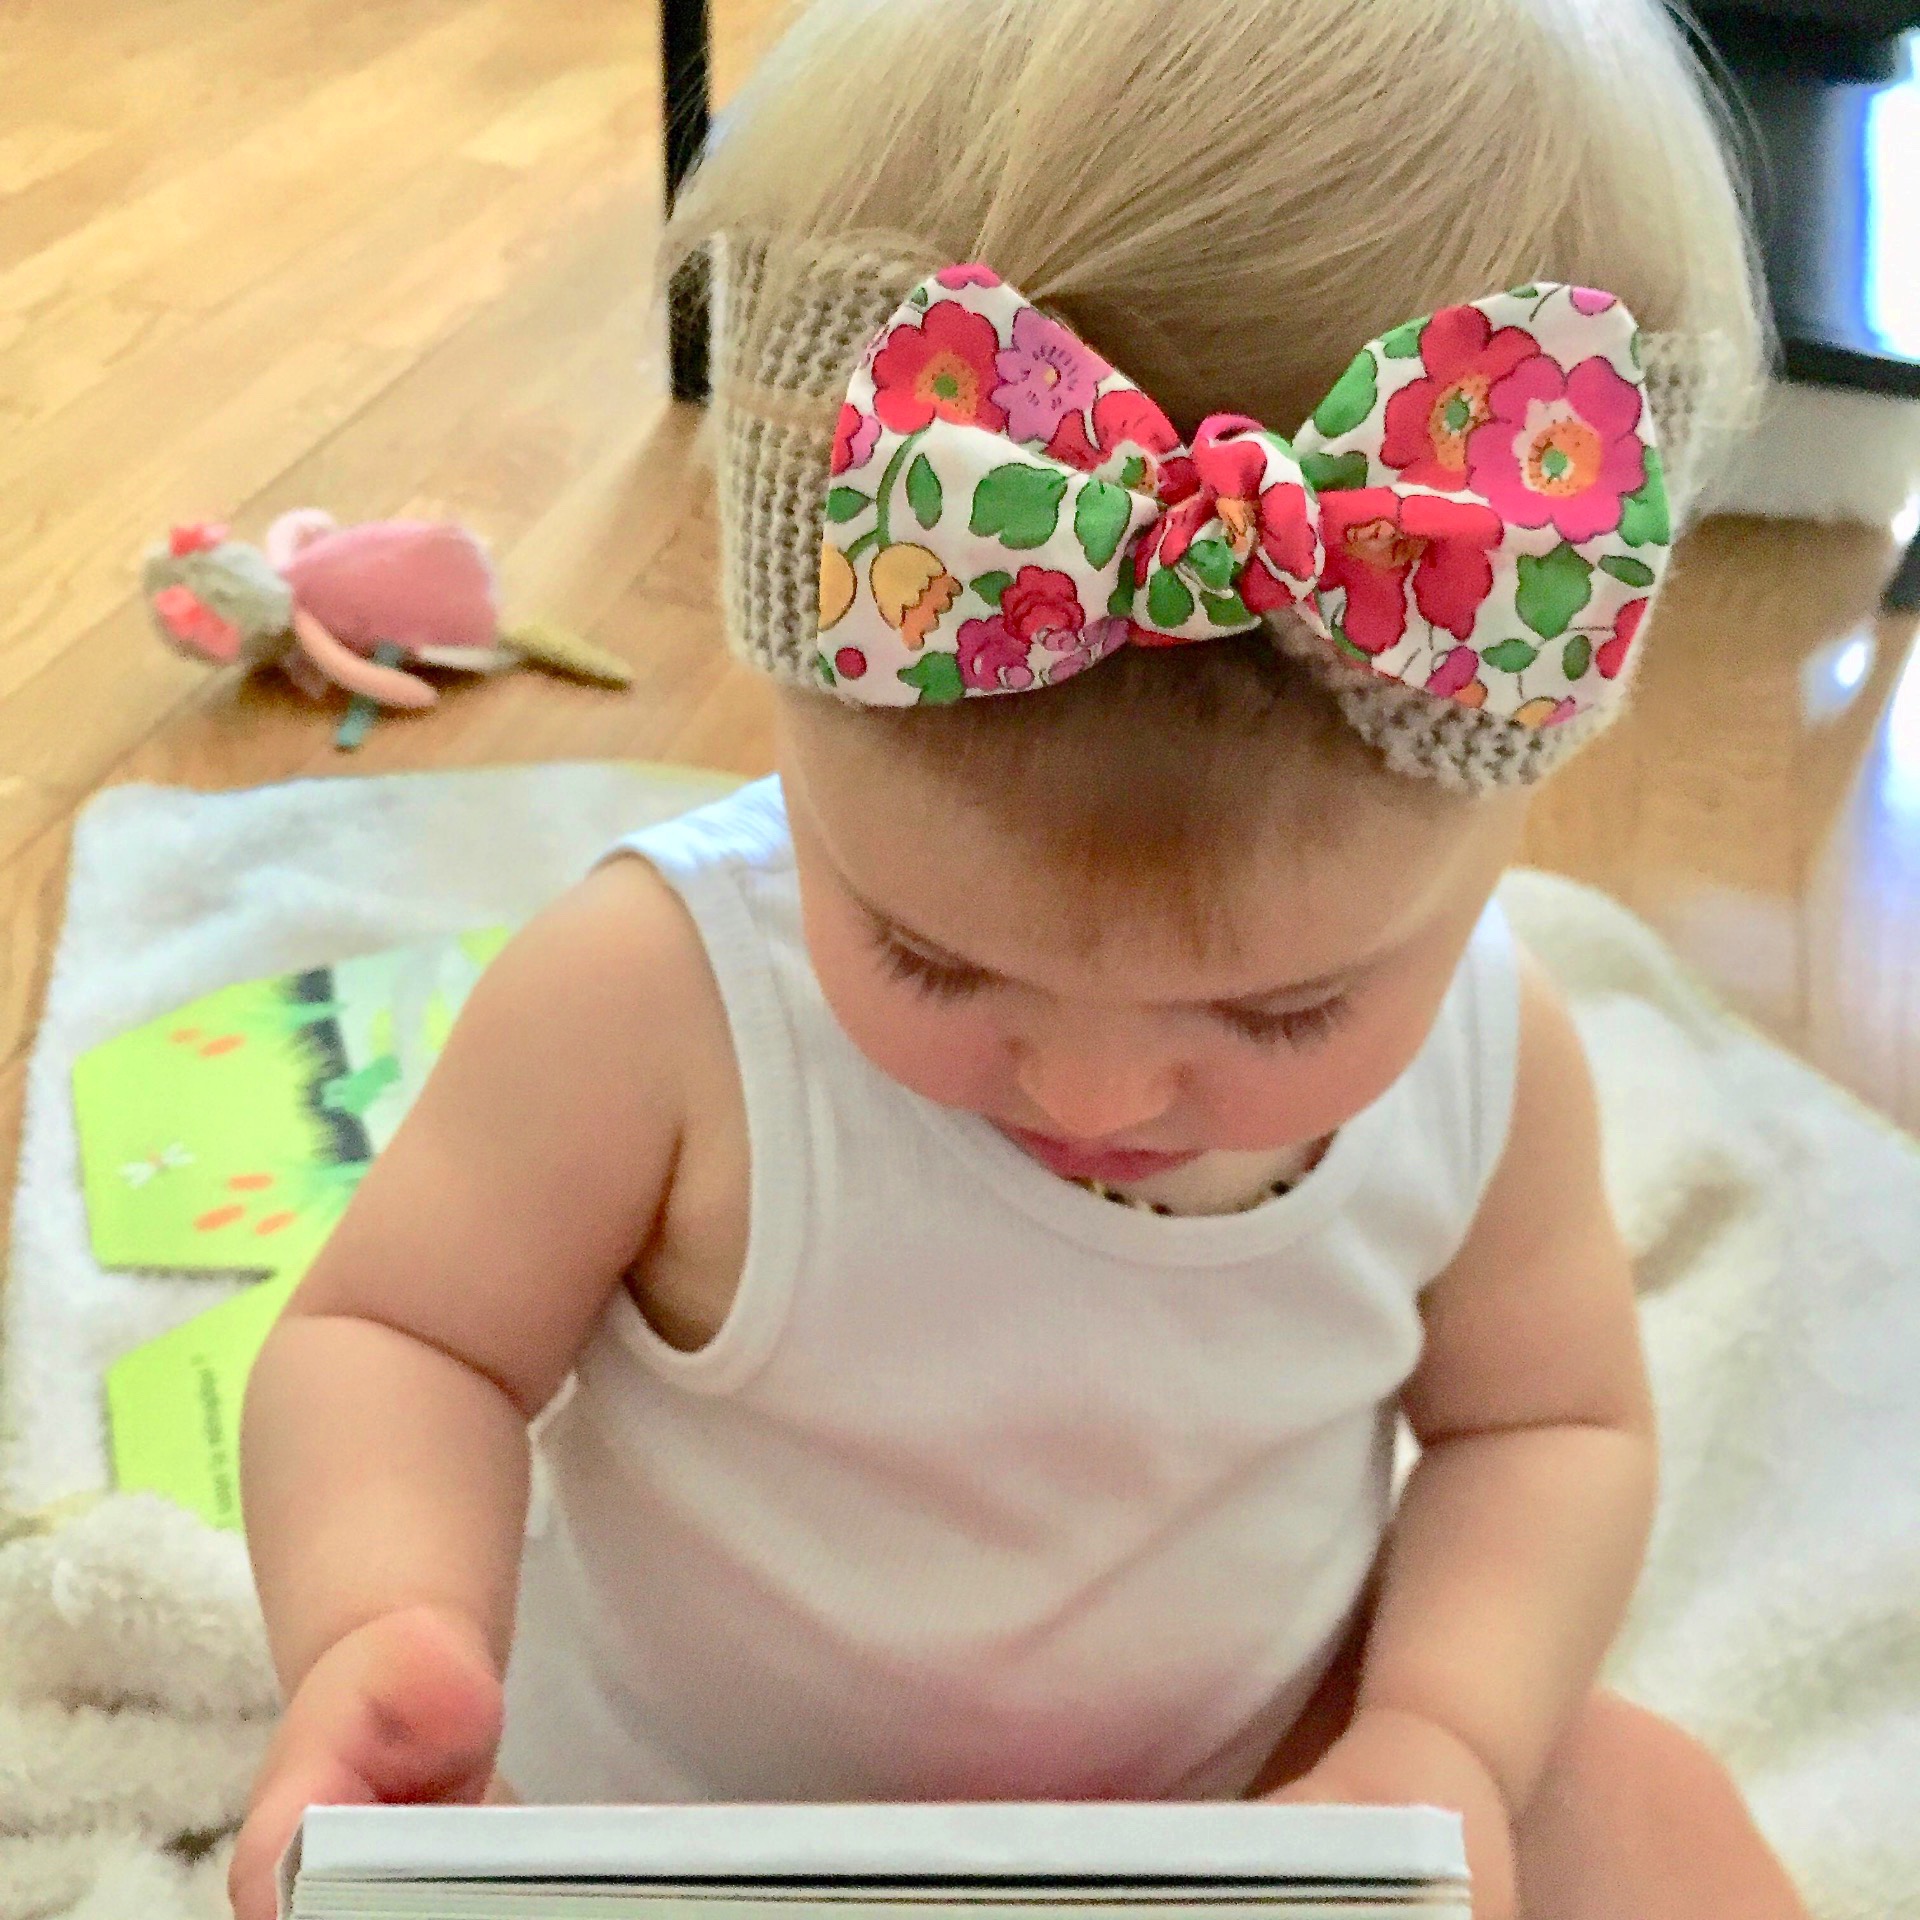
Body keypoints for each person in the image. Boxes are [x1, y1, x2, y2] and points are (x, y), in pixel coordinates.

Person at [227, 2, 1815, 1916]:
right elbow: (401, 1339)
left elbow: (1543, 1427)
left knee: (1641, 1814)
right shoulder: (655, 1001)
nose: (1097, 1091)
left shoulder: (1496, 1060)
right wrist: (385, 1627)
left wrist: (1444, 1737)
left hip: (1245, 1844)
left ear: (1511, 817)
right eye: (927, 956)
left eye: (1287, 1008)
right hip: (698, 1847)